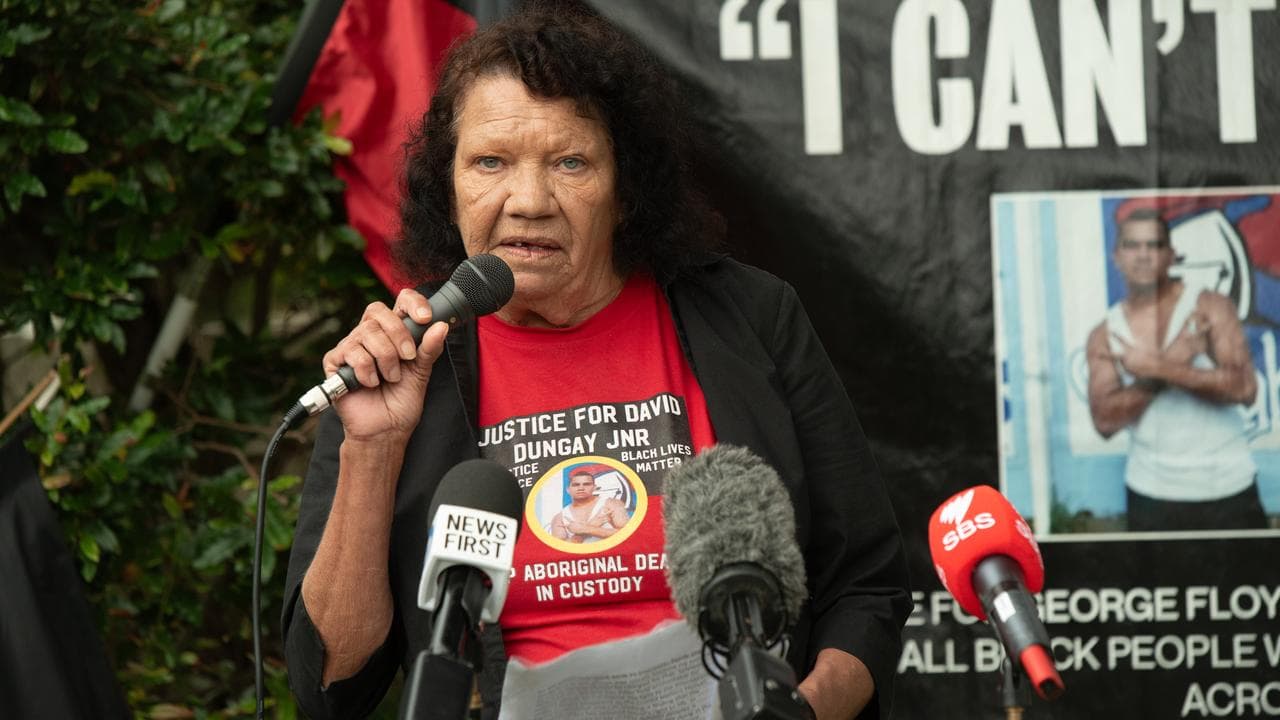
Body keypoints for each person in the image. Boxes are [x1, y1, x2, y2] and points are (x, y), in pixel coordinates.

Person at [282, 4, 910, 719]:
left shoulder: (750, 317)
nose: (528, 201)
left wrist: (798, 709)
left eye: (570, 162)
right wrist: (373, 449)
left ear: (625, 188)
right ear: (449, 187)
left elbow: (866, 588)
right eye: (490, 162)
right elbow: (331, 684)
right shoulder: (402, 353)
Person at [1085, 206, 1267, 531]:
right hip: (1150, 494)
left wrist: (1156, 366)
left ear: (1171, 255)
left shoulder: (1209, 306)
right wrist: (1174, 361)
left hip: (1227, 486)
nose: (1143, 255)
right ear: (1117, 256)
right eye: (1132, 245)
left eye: (1154, 245)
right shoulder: (1105, 333)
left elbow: (1244, 388)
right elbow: (1105, 421)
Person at [547, 470, 628, 543]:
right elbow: (562, 548)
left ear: (594, 487)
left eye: (586, 484)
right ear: (568, 489)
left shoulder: (611, 504)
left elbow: (626, 534)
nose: (581, 488)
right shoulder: (560, 518)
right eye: (576, 485)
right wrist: (590, 526)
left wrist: (585, 529)